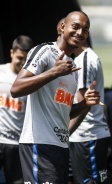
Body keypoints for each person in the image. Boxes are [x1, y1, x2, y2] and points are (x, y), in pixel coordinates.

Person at [10, 11, 102, 184]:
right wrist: (53, 72)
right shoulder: (45, 51)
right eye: (75, 27)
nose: (80, 33)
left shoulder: (73, 67)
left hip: (60, 147)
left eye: (85, 29)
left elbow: (63, 112)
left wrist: (84, 104)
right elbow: (16, 88)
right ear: (62, 27)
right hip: (39, 144)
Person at [68, 32, 111, 184]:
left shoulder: (85, 59)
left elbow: (84, 105)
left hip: (88, 137)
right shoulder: (78, 60)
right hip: (81, 137)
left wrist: (65, 133)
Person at [0, 35, 33, 183]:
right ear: (11, 53)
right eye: (20, 57)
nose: (23, 63)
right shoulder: (1, 72)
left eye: (26, 59)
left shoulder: (31, 80)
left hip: (17, 145)